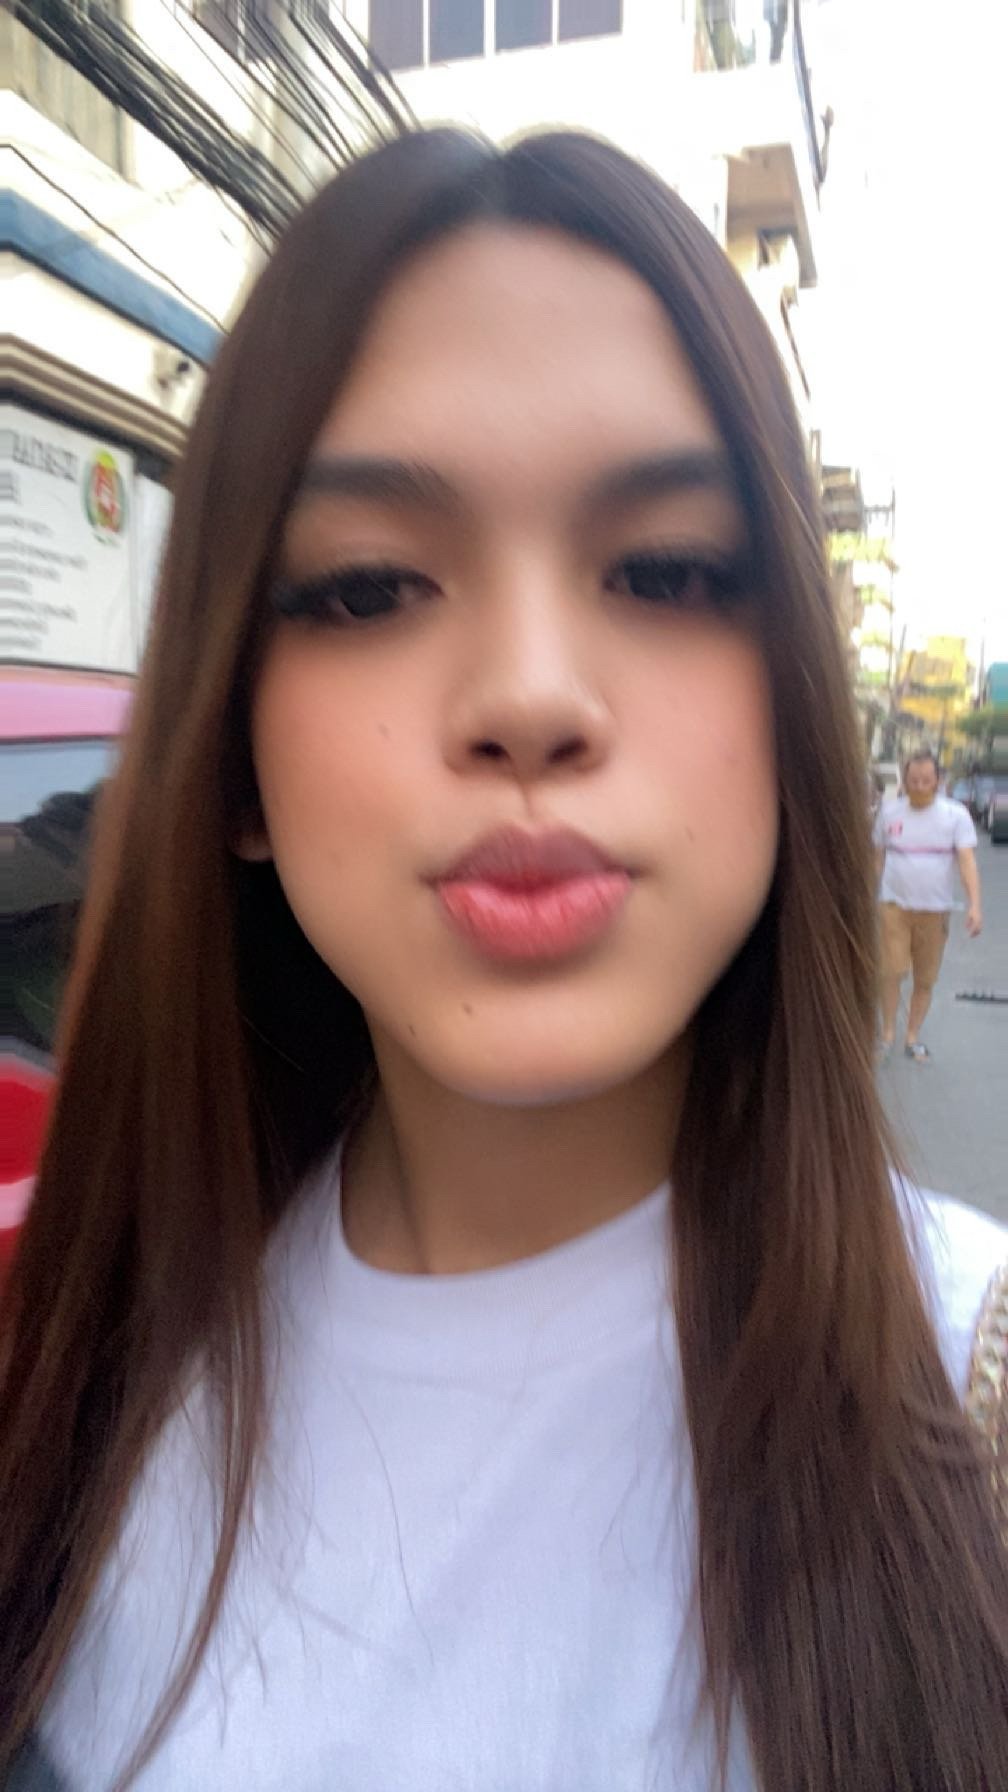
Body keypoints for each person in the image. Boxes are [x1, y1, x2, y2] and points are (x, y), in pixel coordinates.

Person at [1, 130, 1006, 1792]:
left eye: (669, 571)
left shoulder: (973, 1398)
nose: (532, 694)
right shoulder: (95, 1366)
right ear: (235, 760)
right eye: (367, 587)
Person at [874, 747, 982, 1063]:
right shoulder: (889, 813)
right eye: (914, 780)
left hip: (935, 911)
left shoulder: (955, 816)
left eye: (926, 780)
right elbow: (877, 857)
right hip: (893, 906)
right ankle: (887, 1035)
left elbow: (966, 861)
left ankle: (912, 1037)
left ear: (938, 781)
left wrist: (975, 905)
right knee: (890, 971)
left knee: (925, 978)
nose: (920, 786)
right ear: (904, 780)